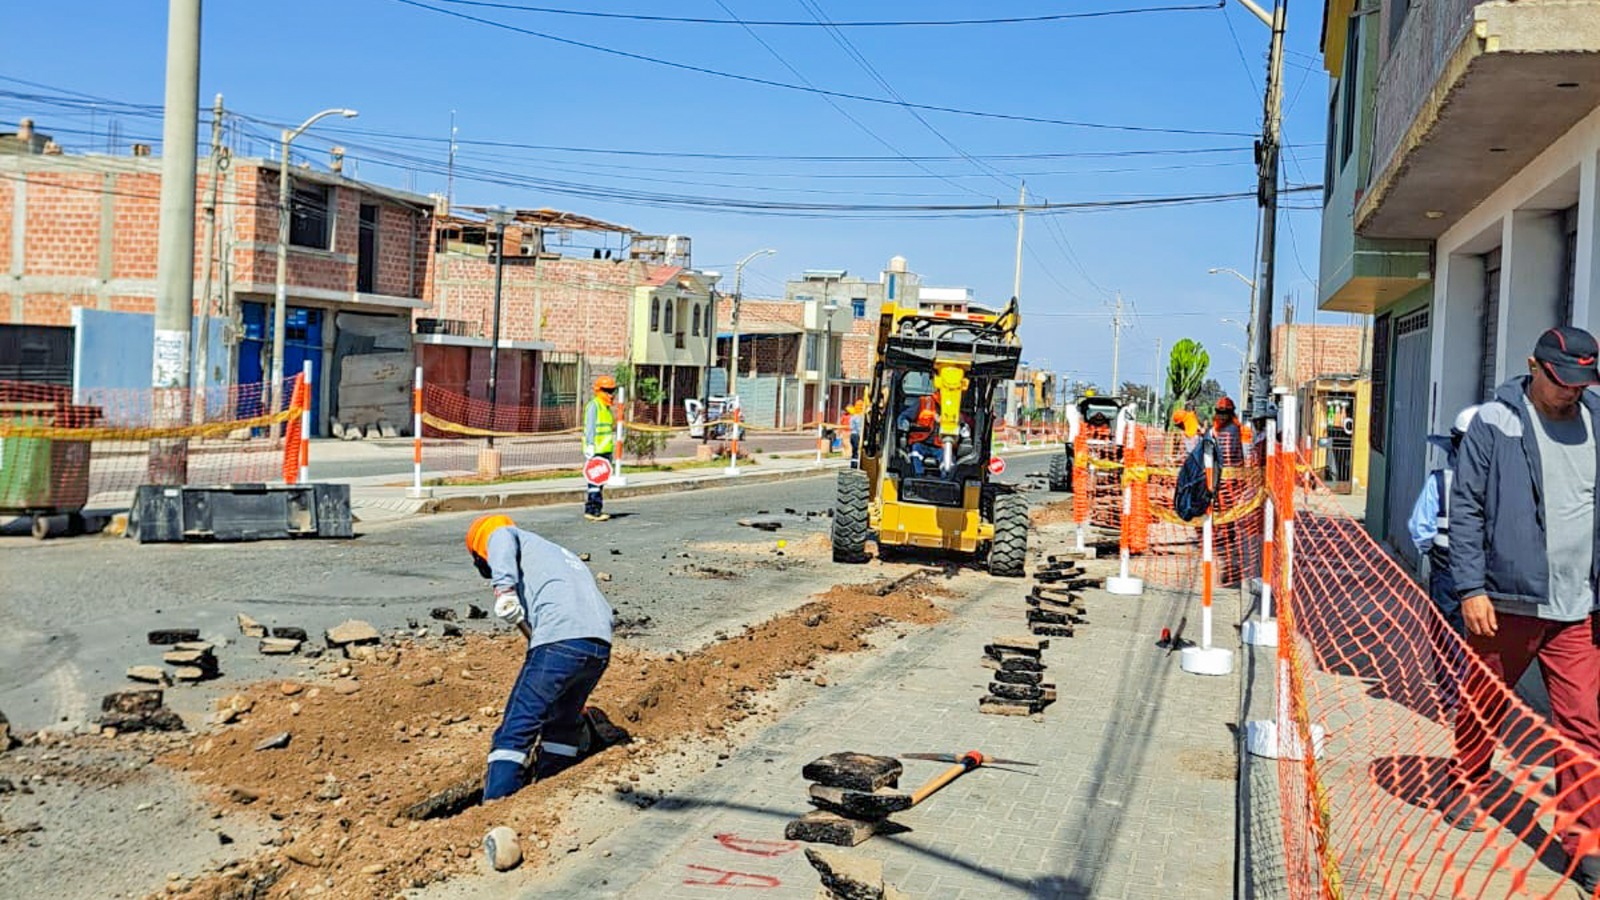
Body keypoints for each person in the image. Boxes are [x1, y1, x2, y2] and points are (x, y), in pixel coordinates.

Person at [1449, 326, 1600, 886]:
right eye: (1562, 381)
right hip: (1506, 601)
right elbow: (1465, 508)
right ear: (1533, 367)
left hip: (1578, 606)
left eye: (1582, 382)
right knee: (1485, 702)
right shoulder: (1496, 422)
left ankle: (1584, 842)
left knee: (1582, 725)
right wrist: (1471, 588)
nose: (1571, 393)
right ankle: (1468, 780)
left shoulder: (1598, 422)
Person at [466, 514, 614, 802]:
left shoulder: (500, 533)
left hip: (560, 641)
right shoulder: (558, 554)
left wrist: (505, 590)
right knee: (561, 725)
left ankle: (496, 805)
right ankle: (551, 793)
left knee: (517, 728)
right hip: (598, 646)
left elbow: (500, 534)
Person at [1407, 405, 1481, 634]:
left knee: (1446, 631)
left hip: (1446, 567)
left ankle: (1451, 670)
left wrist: (1432, 552)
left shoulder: (1440, 482)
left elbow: (1420, 527)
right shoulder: (1502, 483)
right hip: (1486, 570)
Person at [1211, 396, 1247, 585]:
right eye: (1220, 412)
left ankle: (1229, 551)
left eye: (1224, 413)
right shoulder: (1219, 430)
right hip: (1222, 478)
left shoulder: (1231, 430)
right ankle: (1225, 542)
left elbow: (1233, 454)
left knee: (1227, 516)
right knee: (1223, 514)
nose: (1221, 416)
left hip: (1228, 479)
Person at [582, 375, 618, 522]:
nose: (610, 394)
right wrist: (590, 445)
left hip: (605, 451)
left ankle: (595, 508)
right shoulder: (594, 406)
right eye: (607, 391)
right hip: (596, 451)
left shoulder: (606, 408)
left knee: (600, 482)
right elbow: (590, 427)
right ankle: (593, 510)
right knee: (594, 483)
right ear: (598, 390)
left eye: (612, 391)